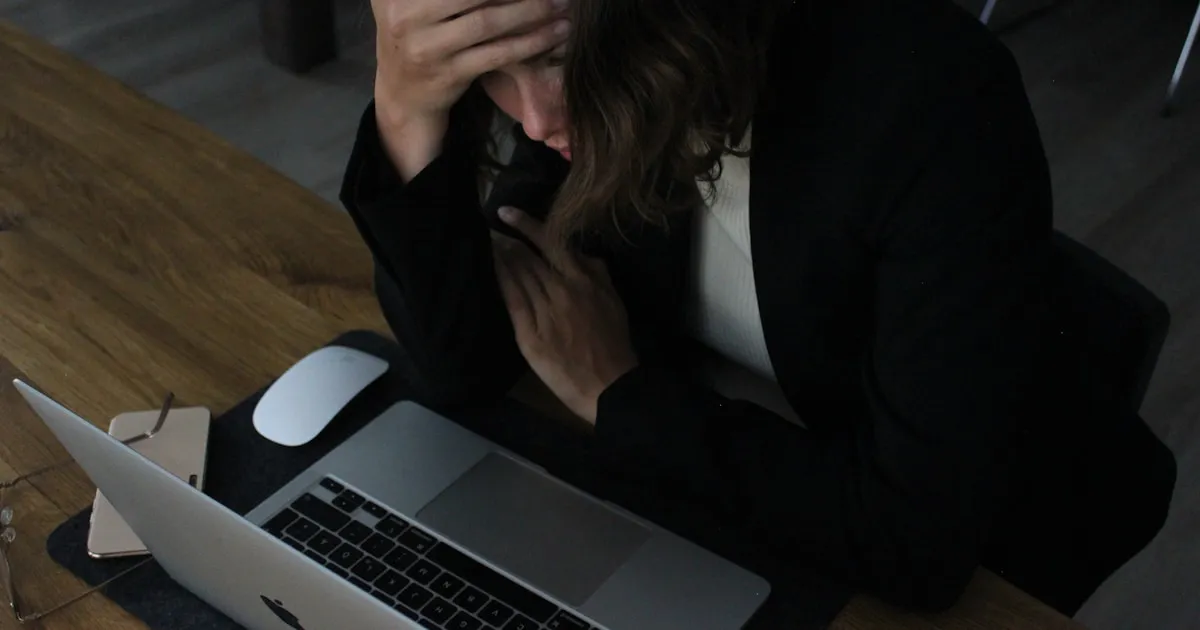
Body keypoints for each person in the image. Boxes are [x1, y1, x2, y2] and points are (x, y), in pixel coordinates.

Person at [342, 0, 1175, 616]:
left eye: (556, 67)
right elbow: (466, 364)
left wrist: (617, 394)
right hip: (732, 493)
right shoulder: (574, 65)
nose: (534, 120)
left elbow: (916, 545)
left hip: (968, 549)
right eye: (487, 76)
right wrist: (406, 105)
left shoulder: (926, 96)